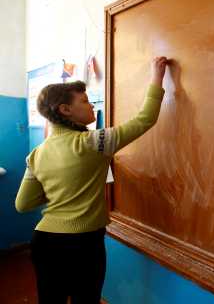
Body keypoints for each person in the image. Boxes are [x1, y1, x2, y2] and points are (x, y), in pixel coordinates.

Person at [15, 56, 170, 304]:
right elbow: (145, 119)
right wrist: (157, 76)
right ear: (65, 110)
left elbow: (22, 204)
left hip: (44, 242)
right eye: (85, 101)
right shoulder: (95, 142)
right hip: (83, 244)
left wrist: (59, 190)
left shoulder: (36, 154)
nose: (91, 107)